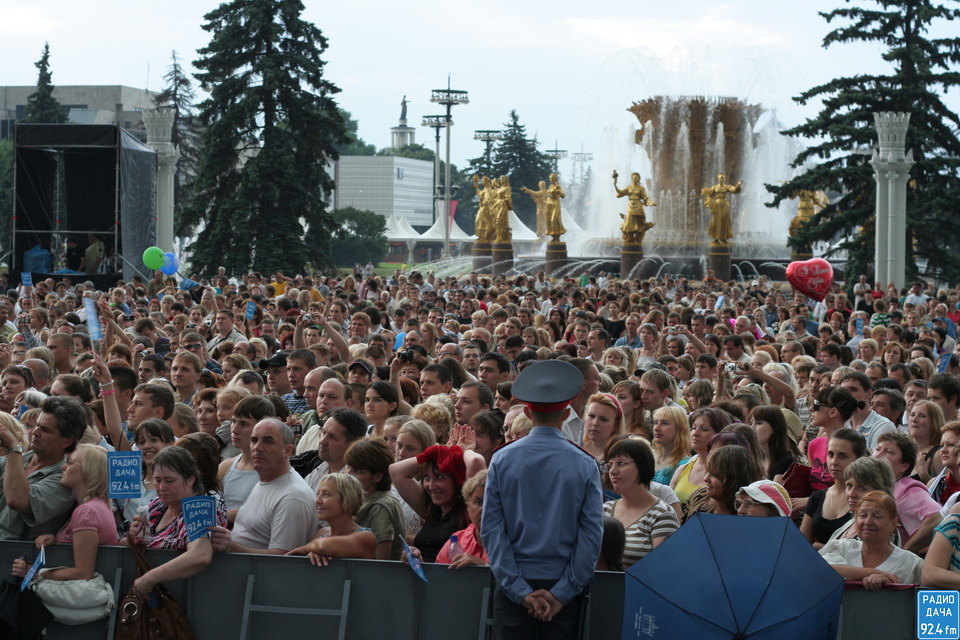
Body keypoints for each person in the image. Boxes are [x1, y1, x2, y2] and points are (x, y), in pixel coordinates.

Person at [482, 359, 602, 638]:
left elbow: (491, 530)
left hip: (513, 583)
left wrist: (519, 590)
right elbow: (591, 536)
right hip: (563, 586)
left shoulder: (502, 458)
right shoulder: (585, 463)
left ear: (526, 411)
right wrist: (562, 593)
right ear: (565, 413)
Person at [10, 444, 117, 594]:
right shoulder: (95, 506)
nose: (63, 467)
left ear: (87, 470)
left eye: (70, 462)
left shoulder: (86, 511)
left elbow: (83, 573)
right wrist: (56, 538)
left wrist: (34, 573)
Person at [121, 447, 220, 596]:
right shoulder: (157, 504)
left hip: (186, 599)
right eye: (157, 480)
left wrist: (150, 578)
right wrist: (132, 536)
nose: (161, 488)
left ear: (190, 479)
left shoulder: (199, 508)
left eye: (169, 481)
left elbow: (201, 555)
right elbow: (124, 544)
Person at [211, 419, 318, 554]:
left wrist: (231, 547)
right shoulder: (266, 481)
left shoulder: (293, 496)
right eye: (254, 440)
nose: (257, 447)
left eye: (268, 441)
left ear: (288, 450)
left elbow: (283, 559)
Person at [0, 396, 87, 539]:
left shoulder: (64, 479)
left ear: (66, 441)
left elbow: (18, 500)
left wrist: (14, 447)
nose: (35, 432)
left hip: (18, 556)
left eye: (45, 429)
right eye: (37, 425)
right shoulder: (20, 459)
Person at [820, 491, 923, 589]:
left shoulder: (912, 563)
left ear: (893, 524)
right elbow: (824, 570)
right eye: (863, 515)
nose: (868, 522)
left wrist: (890, 587)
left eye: (877, 516)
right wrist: (877, 573)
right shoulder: (842, 548)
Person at [602, 437, 679, 568]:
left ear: (642, 466)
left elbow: (664, 568)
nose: (613, 471)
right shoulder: (604, 509)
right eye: (610, 465)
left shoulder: (662, 514)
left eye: (621, 463)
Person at [286, 473, 377, 566]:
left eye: (326, 494)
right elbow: (319, 547)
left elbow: (322, 546)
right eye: (318, 494)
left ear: (348, 499)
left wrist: (304, 549)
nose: (317, 500)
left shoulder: (366, 537)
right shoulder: (322, 533)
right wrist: (312, 553)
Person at [801, 429, 867, 548]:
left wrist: (822, 548)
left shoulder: (866, 498)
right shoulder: (817, 497)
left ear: (860, 459)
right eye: (830, 454)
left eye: (842, 456)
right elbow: (801, 545)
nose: (834, 462)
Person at [344, 437, 406, 560]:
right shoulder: (359, 499)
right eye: (348, 467)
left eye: (358, 471)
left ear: (377, 476)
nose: (348, 474)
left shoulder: (381, 507)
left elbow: (379, 564)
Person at [670, 407, 733, 507]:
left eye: (704, 429)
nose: (695, 433)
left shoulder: (726, 472)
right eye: (694, 428)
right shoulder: (683, 469)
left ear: (719, 435)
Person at [651, 405, 692, 485]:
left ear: (679, 428)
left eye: (664, 423)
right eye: (656, 423)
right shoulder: (650, 457)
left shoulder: (685, 464)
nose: (657, 428)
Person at [582, 393, 626, 461]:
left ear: (615, 425)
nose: (595, 423)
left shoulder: (621, 457)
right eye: (591, 416)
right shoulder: (577, 449)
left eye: (603, 419)